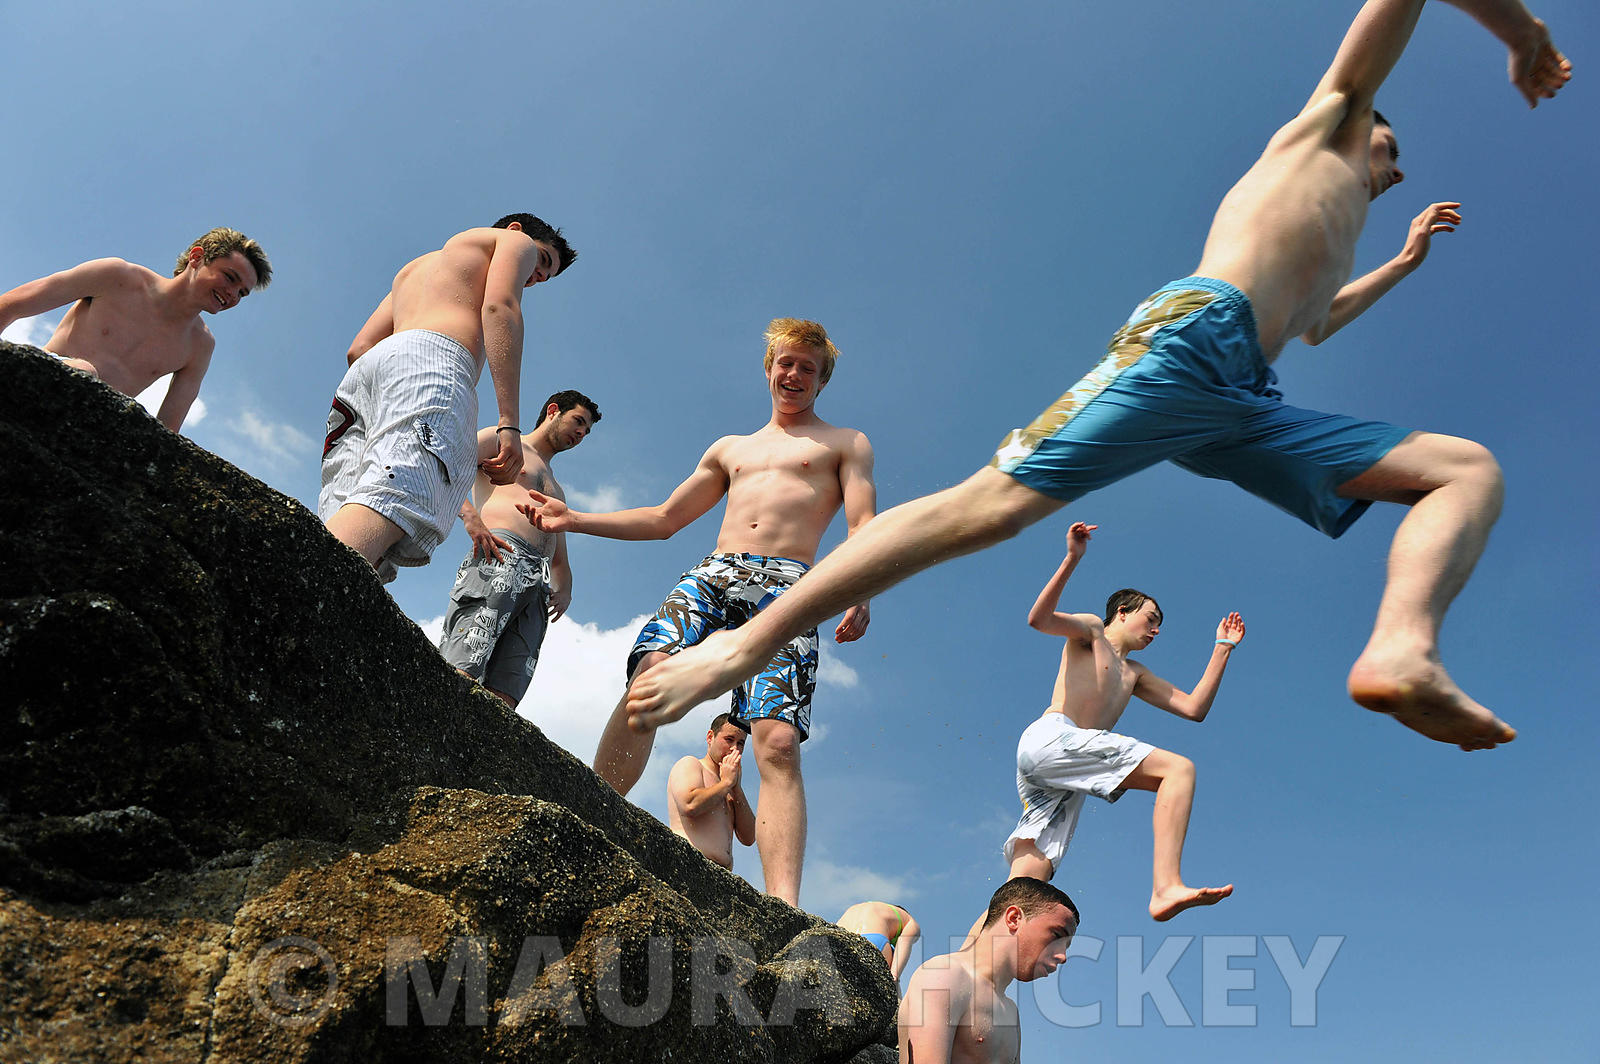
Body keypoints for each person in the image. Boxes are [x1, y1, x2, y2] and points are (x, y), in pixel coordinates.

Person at [625, 0, 1571, 753]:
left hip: (1245, 399)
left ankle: (1403, 648)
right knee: (992, 508)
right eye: (1391, 154)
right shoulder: (1326, 125)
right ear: (1364, 126)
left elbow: (1318, 323)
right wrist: (1524, 35)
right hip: (1195, 336)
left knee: (1465, 469)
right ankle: (743, 648)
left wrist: (1402, 261)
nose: (1395, 174)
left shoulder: (1345, 235)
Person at [519, 317, 876, 905]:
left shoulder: (845, 443)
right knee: (650, 675)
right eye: (786, 363)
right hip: (716, 571)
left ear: (821, 381)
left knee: (776, 740)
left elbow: (863, 524)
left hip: (788, 586)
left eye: (808, 368)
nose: (794, 374)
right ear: (769, 370)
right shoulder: (730, 448)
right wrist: (573, 519)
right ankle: (592, 817)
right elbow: (665, 519)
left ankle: (784, 907)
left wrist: (860, 590)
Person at [319, 214, 575, 583]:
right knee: (398, 493)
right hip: (435, 362)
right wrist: (509, 423)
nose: (536, 276)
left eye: (544, 278)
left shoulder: (414, 269)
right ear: (516, 230)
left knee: (350, 499)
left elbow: (358, 348)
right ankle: (306, 597)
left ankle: (319, 592)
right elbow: (499, 308)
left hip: (370, 373)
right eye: (542, 260)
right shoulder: (512, 241)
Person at [1012, 521, 1239, 921]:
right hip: (1055, 737)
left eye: (1159, 625)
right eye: (1150, 619)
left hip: (1067, 770)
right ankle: (1165, 886)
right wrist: (1072, 558)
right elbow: (1039, 619)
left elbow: (1194, 708)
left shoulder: (1135, 674)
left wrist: (1222, 648)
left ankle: (979, 946)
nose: (1155, 630)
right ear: (1122, 612)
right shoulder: (1092, 631)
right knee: (1178, 770)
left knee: (1031, 879)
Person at [0, 227, 271, 431]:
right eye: (230, 277)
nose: (233, 294)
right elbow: (12, 304)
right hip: (37, 381)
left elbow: (167, 432)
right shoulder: (117, 276)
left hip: (90, 423)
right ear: (197, 257)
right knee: (84, 371)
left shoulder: (199, 345)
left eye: (242, 293)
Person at [438, 390, 601, 704]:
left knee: (508, 687)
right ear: (553, 411)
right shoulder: (504, 441)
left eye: (587, 431)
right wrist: (470, 516)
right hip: (500, 555)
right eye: (578, 421)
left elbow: (560, 551)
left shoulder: (557, 488)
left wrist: (565, 588)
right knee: (465, 659)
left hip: (538, 583)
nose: (581, 433)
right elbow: (447, 464)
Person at [899, 878, 1078, 1064]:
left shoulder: (1010, 1011)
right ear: (1014, 918)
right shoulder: (942, 976)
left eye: (1066, 946)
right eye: (1057, 936)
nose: (1063, 956)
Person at [666, 712, 756, 870]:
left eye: (740, 743)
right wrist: (726, 783)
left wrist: (736, 788)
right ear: (710, 737)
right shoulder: (691, 764)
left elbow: (749, 837)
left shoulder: (730, 788)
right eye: (729, 739)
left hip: (722, 874)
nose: (734, 749)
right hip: (688, 864)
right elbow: (690, 805)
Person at [837, 901, 921, 984]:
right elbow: (903, 942)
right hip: (873, 939)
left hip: (839, 938)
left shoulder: (861, 907)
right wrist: (894, 976)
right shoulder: (909, 919)